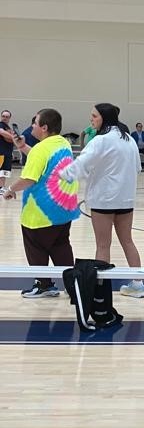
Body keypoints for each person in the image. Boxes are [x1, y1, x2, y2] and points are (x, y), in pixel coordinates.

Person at [60, 104, 144, 299]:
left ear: (104, 118)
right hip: (126, 200)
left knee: (103, 245)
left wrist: (62, 175)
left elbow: (81, 165)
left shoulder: (100, 141)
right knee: (128, 241)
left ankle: (100, 288)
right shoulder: (129, 140)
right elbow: (138, 168)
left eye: (94, 116)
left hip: (103, 201)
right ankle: (138, 285)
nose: (91, 119)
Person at [3, 108, 80, 298]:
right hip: (63, 208)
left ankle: (44, 284)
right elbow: (45, 161)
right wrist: (22, 147)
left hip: (41, 212)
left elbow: (29, 178)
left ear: (44, 127)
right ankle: (74, 286)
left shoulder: (40, 149)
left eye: (35, 123)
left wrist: (10, 190)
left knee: (36, 247)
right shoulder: (63, 143)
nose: (32, 126)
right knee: (61, 246)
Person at [0, 109, 15, 193]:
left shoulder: (8, 127)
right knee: (1, 171)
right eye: (3, 116)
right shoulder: (1, 125)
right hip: (1, 153)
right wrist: (14, 138)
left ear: (9, 118)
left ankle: (2, 187)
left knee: (5, 171)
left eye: (7, 117)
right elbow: (1, 132)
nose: (5, 118)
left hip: (7, 152)